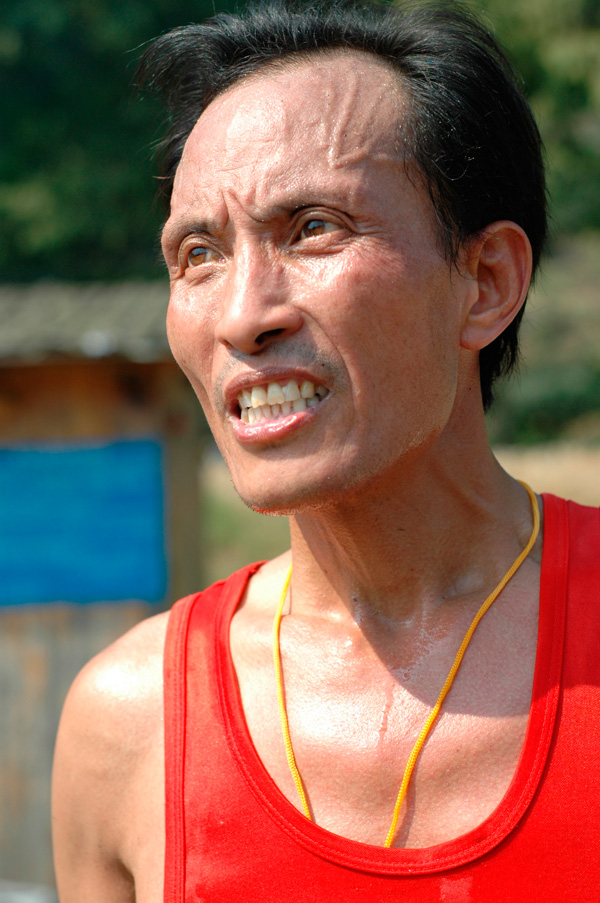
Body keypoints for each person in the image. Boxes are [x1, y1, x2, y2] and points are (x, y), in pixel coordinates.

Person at [52, 1, 600, 900]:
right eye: (199, 252)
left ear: (486, 282)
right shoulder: (131, 723)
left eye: (313, 228)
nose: (243, 316)